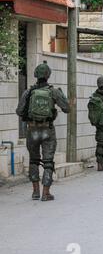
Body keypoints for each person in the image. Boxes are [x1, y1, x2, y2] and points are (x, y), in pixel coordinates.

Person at [16, 61, 69, 201]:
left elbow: (19, 111)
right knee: (48, 161)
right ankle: (46, 192)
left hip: (32, 130)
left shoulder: (28, 92)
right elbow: (67, 108)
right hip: (48, 130)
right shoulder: (53, 91)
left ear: (35, 75)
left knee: (33, 160)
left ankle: (35, 192)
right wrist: (62, 96)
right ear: (48, 75)